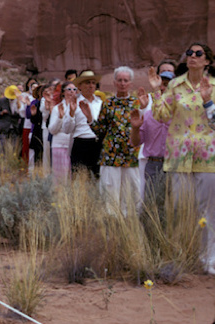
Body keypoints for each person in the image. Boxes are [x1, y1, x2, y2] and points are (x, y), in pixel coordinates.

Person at [150, 42, 215, 274]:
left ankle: (208, 259)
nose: (193, 57)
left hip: (208, 157)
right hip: (179, 156)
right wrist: (158, 91)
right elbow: (161, 116)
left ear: (207, 60)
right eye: (189, 53)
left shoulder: (214, 85)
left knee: (208, 211)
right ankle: (180, 255)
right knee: (179, 208)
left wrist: (208, 100)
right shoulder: (176, 85)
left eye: (198, 54)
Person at [81, 66, 141, 215]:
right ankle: (112, 225)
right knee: (110, 193)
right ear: (114, 82)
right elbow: (99, 130)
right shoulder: (107, 104)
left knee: (133, 192)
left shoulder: (137, 103)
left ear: (131, 83)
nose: (122, 83)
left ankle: (131, 224)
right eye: (119, 80)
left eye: (126, 80)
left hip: (131, 155)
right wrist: (89, 118)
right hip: (111, 155)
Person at [130, 67, 174, 201]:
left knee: (175, 205)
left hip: (175, 164)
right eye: (160, 85)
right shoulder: (148, 115)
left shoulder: (181, 116)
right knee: (152, 205)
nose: (162, 88)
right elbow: (136, 142)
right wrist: (135, 128)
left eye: (166, 85)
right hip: (153, 165)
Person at [62, 70, 103, 179]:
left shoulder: (100, 103)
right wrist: (71, 113)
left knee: (98, 178)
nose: (91, 86)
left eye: (93, 83)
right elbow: (66, 130)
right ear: (80, 86)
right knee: (79, 180)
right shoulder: (74, 103)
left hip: (98, 144)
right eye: (87, 83)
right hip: (81, 143)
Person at [48, 80, 76, 184]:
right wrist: (60, 118)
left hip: (74, 145)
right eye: (69, 89)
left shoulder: (79, 107)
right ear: (63, 92)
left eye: (74, 89)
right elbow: (52, 129)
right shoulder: (57, 108)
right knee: (60, 177)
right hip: (60, 145)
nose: (72, 92)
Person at [0, 84, 22, 157]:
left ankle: (11, 161)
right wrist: (2, 113)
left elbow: (22, 114)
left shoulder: (19, 102)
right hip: (4, 127)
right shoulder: (2, 100)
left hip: (15, 128)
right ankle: (3, 163)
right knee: (3, 146)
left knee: (13, 147)